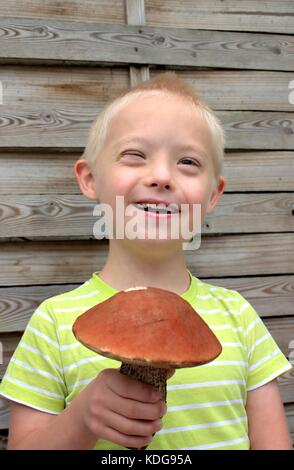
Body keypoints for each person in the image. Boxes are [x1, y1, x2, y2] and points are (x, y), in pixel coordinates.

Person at [0, 72, 292, 450]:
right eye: (135, 155)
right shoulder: (54, 323)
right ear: (89, 179)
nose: (160, 176)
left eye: (188, 161)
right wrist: (81, 419)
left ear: (212, 195)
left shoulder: (239, 318)